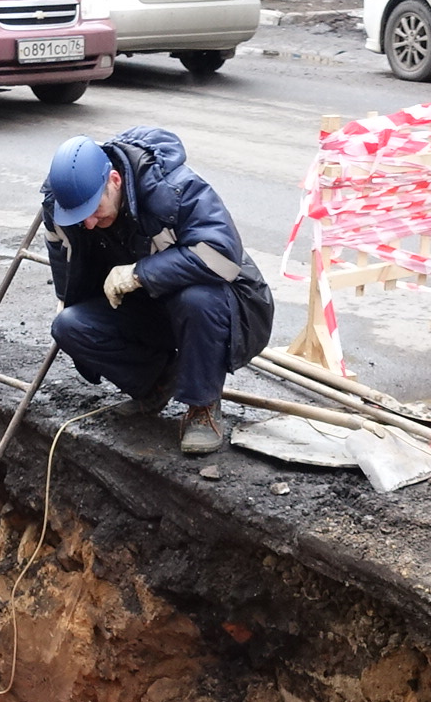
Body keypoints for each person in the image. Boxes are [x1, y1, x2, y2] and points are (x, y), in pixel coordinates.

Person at [41, 129, 274, 457]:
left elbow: (222, 256)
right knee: (69, 325)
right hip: (154, 305)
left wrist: (140, 274)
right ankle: (158, 383)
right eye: (80, 217)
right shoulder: (63, 204)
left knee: (196, 299)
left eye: (95, 209)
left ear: (114, 180)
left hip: (230, 306)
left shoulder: (173, 189)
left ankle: (202, 405)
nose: (89, 223)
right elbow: (58, 247)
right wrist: (65, 297)